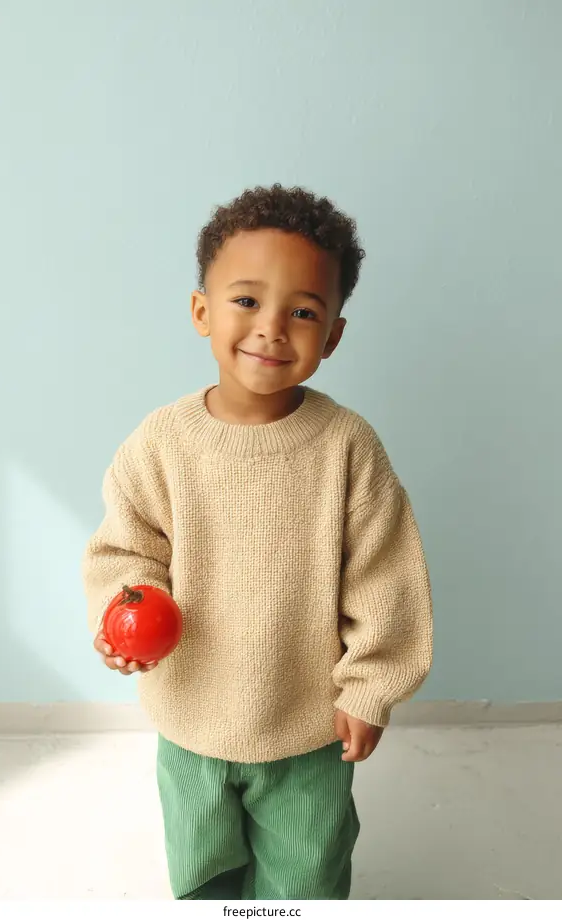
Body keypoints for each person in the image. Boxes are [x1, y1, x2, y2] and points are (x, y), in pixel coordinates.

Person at [83, 184, 432, 901]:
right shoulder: (161, 443)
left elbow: (386, 579)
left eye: (303, 311)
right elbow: (126, 550)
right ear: (202, 312)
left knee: (305, 869)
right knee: (204, 868)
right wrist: (124, 618)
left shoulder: (348, 448)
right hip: (191, 720)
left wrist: (371, 688)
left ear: (333, 334)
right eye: (246, 301)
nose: (272, 327)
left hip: (307, 725)